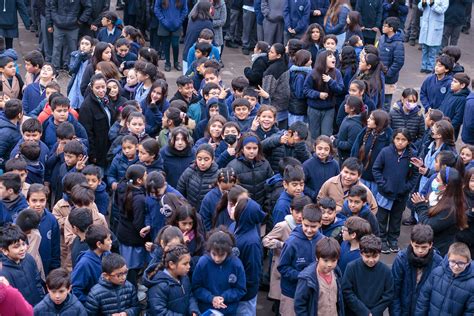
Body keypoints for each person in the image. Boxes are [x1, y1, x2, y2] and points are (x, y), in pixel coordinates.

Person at [373, 128, 419, 253]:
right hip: (385, 193)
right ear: (393, 139)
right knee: (381, 218)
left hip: (401, 195)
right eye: (397, 139)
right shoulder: (385, 152)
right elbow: (376, 169)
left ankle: (393, 239)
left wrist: (407, 187)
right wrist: (383, 185)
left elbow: (415, 174)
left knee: (396, 218)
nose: (400, 142)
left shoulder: (412, 155)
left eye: (403, 140)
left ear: (408, 141)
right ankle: (381, 240)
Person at [277, 204, 324, 316]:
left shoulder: (323, 240)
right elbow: (282, 267)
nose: (309, 230)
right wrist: (302, 276)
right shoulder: (291, 242)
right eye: (306, 225)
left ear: (320, 224)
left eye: (313, 227)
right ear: (301, 221)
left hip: (313, 294)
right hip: (291, 293)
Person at [263, 195, 308, 311]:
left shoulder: (307, 227)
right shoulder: (283, 226)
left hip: (297, 270)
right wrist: (281, 245)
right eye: (297, 212)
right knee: (281, 303)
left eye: (302, 212)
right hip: (281, 270)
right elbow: (266, 240)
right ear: (290, 210)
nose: (299, 216)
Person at [411, 166, 467, 256]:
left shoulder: (451, 209)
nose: (434, 181)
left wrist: (420, 206)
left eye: (437, 179)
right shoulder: (436, 196)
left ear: (446, 186)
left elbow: (428, 226)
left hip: (438, 250)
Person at [391, 224, 443, 315]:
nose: (420, 251)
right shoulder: (401, 259)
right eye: (417, 246)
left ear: (431, 245)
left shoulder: (438, 262)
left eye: (424, 247)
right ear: (411, 242)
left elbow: (437, 295)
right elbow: (394, 290)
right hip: (403, 311)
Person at [192, 229, 247, 315]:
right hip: (206, 309)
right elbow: (196, 287)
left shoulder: (236, 264)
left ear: (228, 252)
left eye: (221, 255)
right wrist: (211, 298)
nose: (217, 259)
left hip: (228, 310)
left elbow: (241, 289)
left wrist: (224, 297)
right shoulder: (203, 263)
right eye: (214, 254)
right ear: (209, 250)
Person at [342, 234, 394, 316]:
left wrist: (374, 313)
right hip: (354, 312)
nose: (371, 260)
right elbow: (346, 291)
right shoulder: (351, 268)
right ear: (361, 253)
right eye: (367, 256)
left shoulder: (386, 271)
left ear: (380, 254)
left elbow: (388, 295)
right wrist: (364, 312)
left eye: (375, 256)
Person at [415, 242, 474, 315]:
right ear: (448, 258)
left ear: (468, 262)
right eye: (452, 262)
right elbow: (423, 299)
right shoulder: (437, 273)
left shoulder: (471, 285)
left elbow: (470, 312)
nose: (456, 266)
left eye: (461, 263)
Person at [143, 244, 199, 315]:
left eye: (189, 263)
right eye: (185, 264)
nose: (189, 266)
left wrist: (193, 310)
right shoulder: (159, 286)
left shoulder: (184, 277)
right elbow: (159, 312)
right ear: (171, 264)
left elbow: (190, 295)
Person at [115, 164, 148, 285]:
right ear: (139, 181)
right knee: (131, 270)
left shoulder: (122, 188)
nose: (147, 177)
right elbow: (138, 223)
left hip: (123, 233)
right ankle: (132, 292)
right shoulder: (139, 199)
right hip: (133, 239)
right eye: (146, 175)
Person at [294, 237, 344, 315]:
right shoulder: (307, 278)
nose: (329, 265)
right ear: (317, 258)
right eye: (325, 260)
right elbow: (299, 305)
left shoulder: (336, 272)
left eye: (333, 260)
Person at [0, 224, 45, 306]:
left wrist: (42, 303)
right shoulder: (3, 273)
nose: (22, 249)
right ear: (4, 250)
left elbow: (38, 283)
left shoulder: (29, 259)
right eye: (16, 246)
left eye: (23, 244)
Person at [304, 50, 344, 139]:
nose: (334, 58)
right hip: (314, 109)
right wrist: (318, 94)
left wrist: (330, 81)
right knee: (314, 135)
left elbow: (340, 89)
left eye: (333, 56)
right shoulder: (312, 73)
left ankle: (326, 152)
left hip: (329, 109)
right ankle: (314, 152)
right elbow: (306, 90)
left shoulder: (337, 73)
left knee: (326, 135)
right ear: (323, 60)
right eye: (330, 57)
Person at [79, 74, 116, 168]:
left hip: (110, 145)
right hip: (98, 150)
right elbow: (87, 133)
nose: (101, 90)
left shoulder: (107, 99)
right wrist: (92, 154)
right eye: (97, 88)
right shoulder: (86, 106)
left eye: (103, 87)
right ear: (92, 88)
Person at [227, 133, 273, 206]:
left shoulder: (265, 164)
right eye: (248, 148)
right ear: (242, 149)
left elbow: (270, 187)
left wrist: (267, 206)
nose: (252, 151)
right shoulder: (233, 166)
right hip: (241, 208)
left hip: (261, 207)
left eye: (255, 148)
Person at [25, 184, 61, 275]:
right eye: (34, 200)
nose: (38, 204)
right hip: (27, 267)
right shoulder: (21, 219)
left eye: (42, 200)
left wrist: (54, 269)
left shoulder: (51, 220)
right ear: (27, 201)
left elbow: (55, 248)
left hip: (46, 267)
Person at [71, 224, 112, 303]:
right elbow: (75, 289)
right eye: (108, 239)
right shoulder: (84, 264)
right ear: (99, 244)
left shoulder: (107, 254)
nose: (111, 242)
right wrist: (91, 303)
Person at [48, 0, 92, 70]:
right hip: (59, 25)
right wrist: (55, 18)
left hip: (73, 26)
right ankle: (55, 69)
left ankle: (71, 68)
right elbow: (52, 6)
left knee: (72, 49)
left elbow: (88, 7)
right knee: (57, 48)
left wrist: (81, 20)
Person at [261, 43, 290, 129]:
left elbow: (266, 91)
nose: (269, 53)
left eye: (272, 52)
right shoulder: (285, 65)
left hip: (274, 107)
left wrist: (263, 109)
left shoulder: (272, 70)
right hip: (284, 104)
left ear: (278, 55)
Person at [378, 17, 405, 110]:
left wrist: (388, 73)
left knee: (386, 103)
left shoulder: (398, 44)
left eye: (385, 26)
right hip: (378, 75)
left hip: (389, 79)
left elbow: (399, 62)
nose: (382, 27)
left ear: (391, 29)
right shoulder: (382, 38)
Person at [154, 0, 188, 72]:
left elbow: (185, 10)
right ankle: (167, 63)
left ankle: (176, 62)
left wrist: (179, 21)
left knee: (175, 44)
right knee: (166, 45)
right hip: (164, 25)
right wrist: (163, 20)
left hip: (177, 25)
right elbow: (156, 9)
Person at [303, 135, 340, 201]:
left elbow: (338, 182)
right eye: (320, 148)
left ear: (330, 150)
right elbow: (302, 184)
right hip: (312, 201)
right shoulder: (307, 165)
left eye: (326, 149)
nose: (322, 152)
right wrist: (314, 194)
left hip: (330, 201)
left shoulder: (335, 164)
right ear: (314, 148)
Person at [417, 0, 449, 73]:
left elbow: (442, 10)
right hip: (426, 25)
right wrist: (423, 3)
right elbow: (420, 7)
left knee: (432, 50)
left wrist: (432, 4)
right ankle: (423, 66)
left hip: (435, 26)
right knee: (424, 48)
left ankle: (430, 67)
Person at [333, 96, 366, 163]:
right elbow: (342, 133)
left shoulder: (355, 126)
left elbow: (350, 145)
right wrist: (335, 136)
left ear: (352, 108)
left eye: (346, 104)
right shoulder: (347, 117)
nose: (344, 105)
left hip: (347, 157)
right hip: (342, 154)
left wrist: (336, 142)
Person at [439, 72, 470, 139]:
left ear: (462, 85)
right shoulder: (450, 92)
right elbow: (442, 105)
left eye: (455, 82)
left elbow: (458, 119)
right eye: (452, 81)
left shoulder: (462, 99)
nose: (452, 83)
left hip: (448, 132)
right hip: (440, 126)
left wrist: (447, 129)